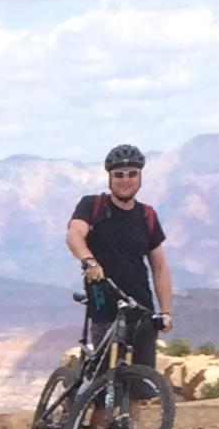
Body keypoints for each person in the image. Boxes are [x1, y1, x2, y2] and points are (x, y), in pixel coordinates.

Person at [66, 144, 174, 367]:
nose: (126, 180)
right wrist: (89, 261)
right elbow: (74, 235)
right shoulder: (92, 205)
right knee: (105, 383)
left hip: (141, 308)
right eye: (119, 175)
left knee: (136, 390)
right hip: (104, 302)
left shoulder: (147, 215)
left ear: (140, 177)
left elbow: (160, 266)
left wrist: (165, 311)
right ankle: (91, 399)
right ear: (110, 178)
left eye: (132, 174)